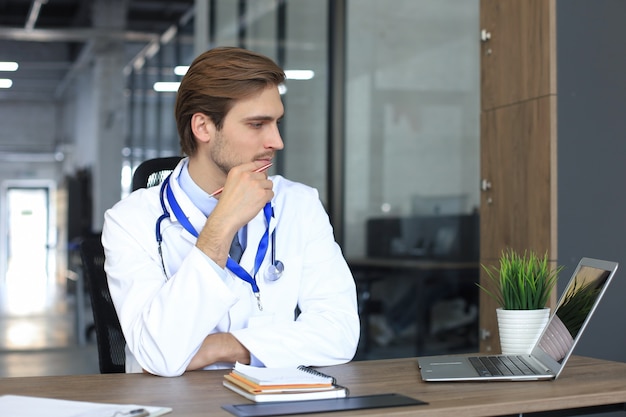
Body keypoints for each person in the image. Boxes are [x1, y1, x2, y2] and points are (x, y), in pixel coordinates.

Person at [102, 47, 360, 377]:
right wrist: (221, 225)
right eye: (257, 124)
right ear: (203, 127)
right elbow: (158, 354)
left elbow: (340, 334)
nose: (276, 141)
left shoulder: (299, 204)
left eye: (276, 123)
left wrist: (220, 346)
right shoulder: (130, 221)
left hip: (277, 400)